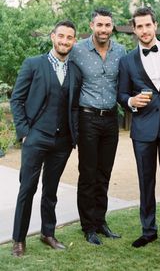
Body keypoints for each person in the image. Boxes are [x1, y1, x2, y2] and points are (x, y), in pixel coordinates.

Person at [10, 20, 81, 257]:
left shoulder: (75, 70)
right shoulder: (33, 64)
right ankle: (19, 239)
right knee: (27, 188)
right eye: (61, 36)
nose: (64, 41)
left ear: (74, 40)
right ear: (53, 37)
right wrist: (25, 133)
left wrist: (74, 136)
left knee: (51, 190)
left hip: (62, 142)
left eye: (69, 37)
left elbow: (74, 106)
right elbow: (17, 100)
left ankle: (47, 233)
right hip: (36, 137)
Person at [118, 6, 160, 252]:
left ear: (155, 25)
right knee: (146, 182)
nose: (144, 30)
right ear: (134, 30)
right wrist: (131, 101)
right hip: (142, 130)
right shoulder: (127, 61)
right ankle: (148, 230)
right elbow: (121, 94)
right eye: (139, 26)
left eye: (148, 25)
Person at [70, 8, 126, 245]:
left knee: (104, 173)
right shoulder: (77, 50)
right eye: (99, 24)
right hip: (87, 118)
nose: (104, 29)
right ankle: (88, 226)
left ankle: (101, 221)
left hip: (111, 119)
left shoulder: (121, 51)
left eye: (108, 25)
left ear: (112, 27)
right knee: (88, 173)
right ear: (91, 25)